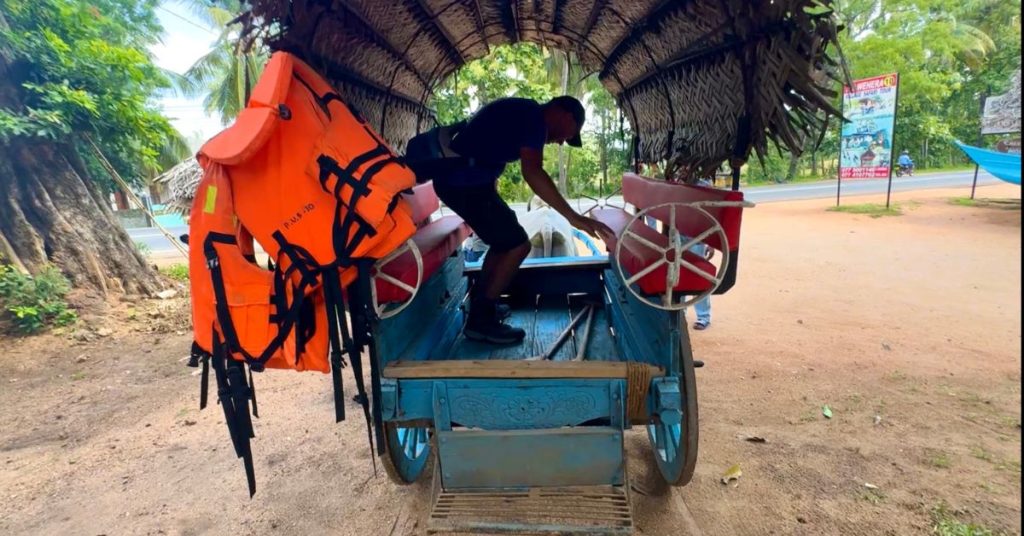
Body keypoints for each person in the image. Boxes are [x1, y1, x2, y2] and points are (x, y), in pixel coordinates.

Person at [428, 96, 615, 344]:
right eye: (568, 136)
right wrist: (574, 218)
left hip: (465, 184)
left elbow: (484, 149)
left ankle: (483, 307)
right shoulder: (533, 118)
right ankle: (480, 322)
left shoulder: (525, 113)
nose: (560, 142)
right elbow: (533, 172)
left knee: (504, 241)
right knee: (518, 245)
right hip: (462, 184)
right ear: (566, 115)